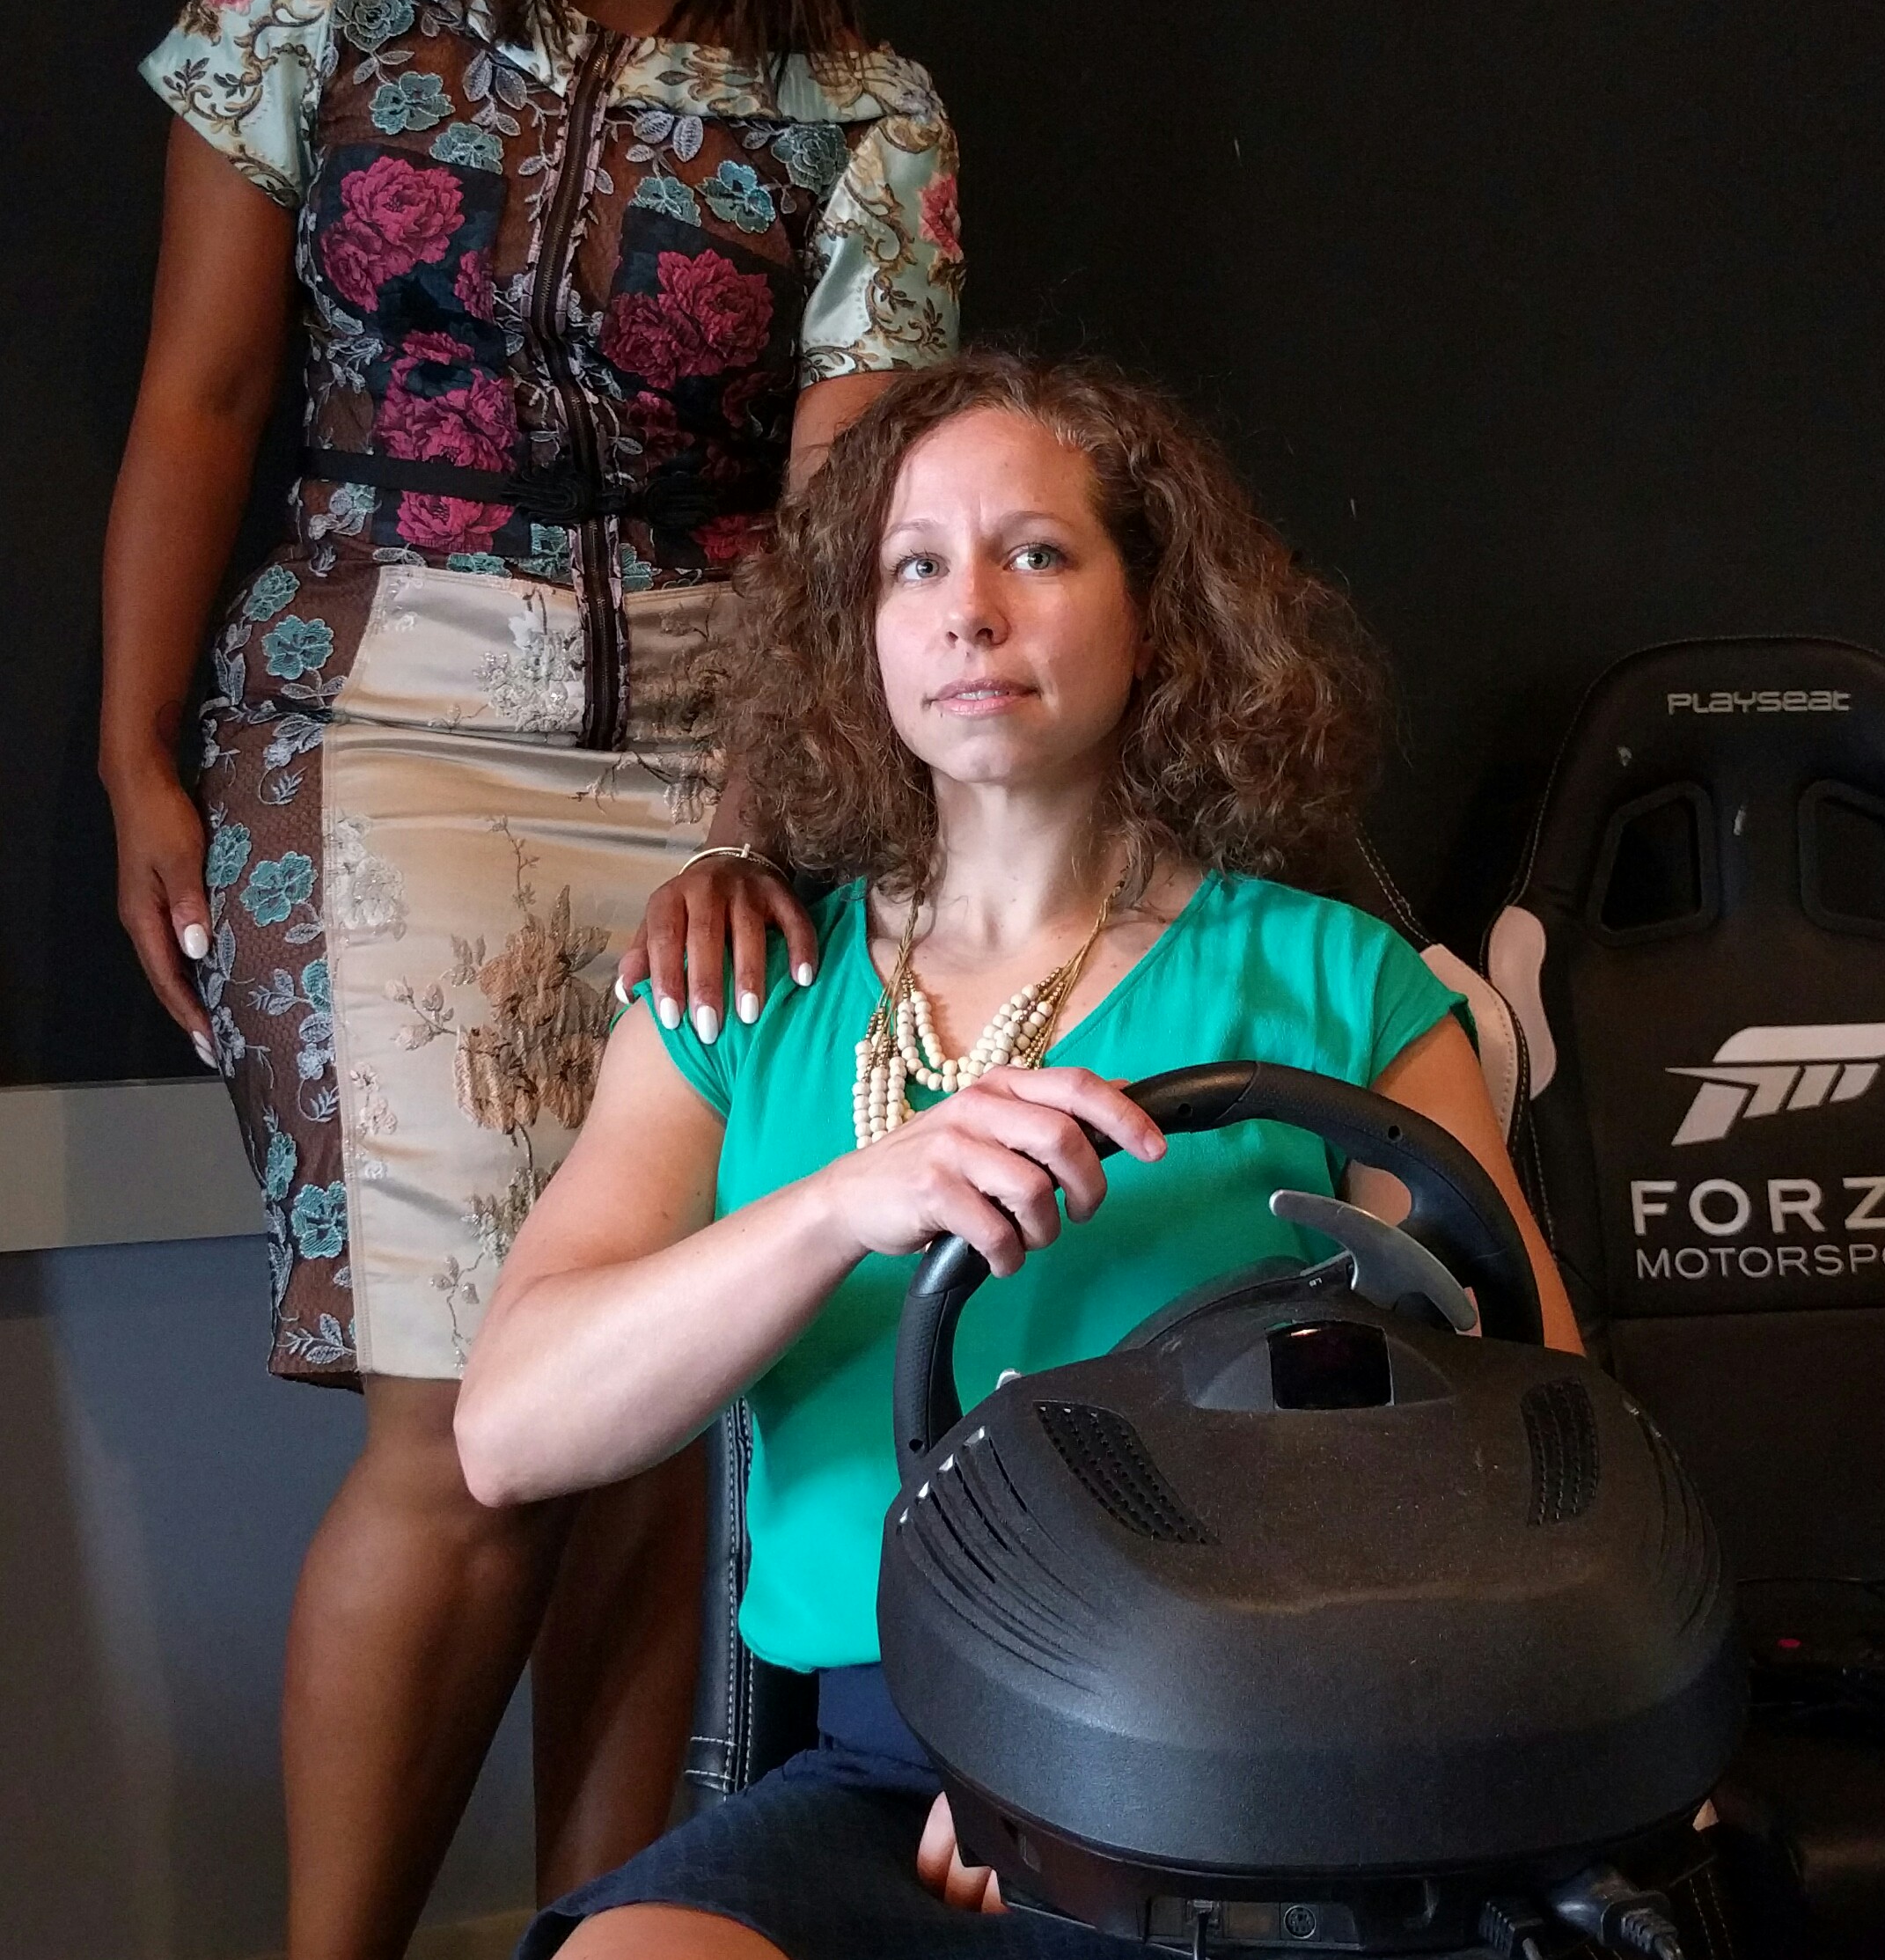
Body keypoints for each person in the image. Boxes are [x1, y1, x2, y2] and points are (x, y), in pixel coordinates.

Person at [100, 0, 960, 1960]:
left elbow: (838, 532)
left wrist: (771, 823)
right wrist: (133, 749)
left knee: (652, 1423)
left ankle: (609, 1939)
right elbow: (204, 390)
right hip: (379, 710)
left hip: (718, 746)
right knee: (475, 1422)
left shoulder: (862, 105)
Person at [455, 352, 1580, 1960]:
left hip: (1266, 1764)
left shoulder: (1346, 988)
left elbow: (1537, 1449)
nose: (970, 613)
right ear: (859, 634)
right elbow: (510, 1434)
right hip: (876, 1775)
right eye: (914, 567)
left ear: (1156, 614)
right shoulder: (743, 999)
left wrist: (1091, 1749)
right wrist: (840, 1206)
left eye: (1036, 554)